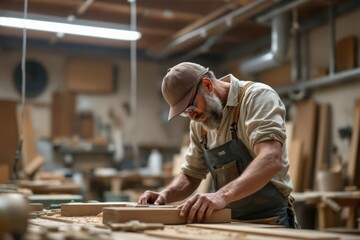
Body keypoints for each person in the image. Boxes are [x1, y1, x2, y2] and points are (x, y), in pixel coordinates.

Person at [138, 62, 299, 228]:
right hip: (229, 222)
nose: (192, 116)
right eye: (185, 113)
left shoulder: (256, 98)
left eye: (191, 107)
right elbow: (191, 175)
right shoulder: (199, 125)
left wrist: (222, 196)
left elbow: (271, 158)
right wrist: (165, 194)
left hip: (270, 220)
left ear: (207, 85)